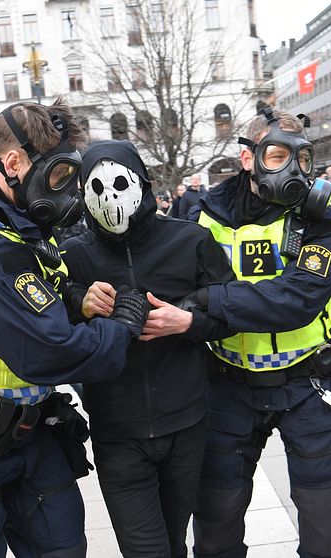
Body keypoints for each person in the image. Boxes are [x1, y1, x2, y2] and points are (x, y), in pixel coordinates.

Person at [0, 100, 147, 557]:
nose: (67, 191)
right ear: (13, 162)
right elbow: (48, 350)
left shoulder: (11, 225)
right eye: (58, 177)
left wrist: (75, 299)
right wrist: (122, 327)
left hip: (30, 433)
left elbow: (37, 288)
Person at [148, 108, 331, 558]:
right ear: (249, 158)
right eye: (279, 156)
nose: (294, 170)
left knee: (327, 527)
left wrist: (208, 302)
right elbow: (176, 293)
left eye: (303, 159)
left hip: (307, 385)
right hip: (228, 386)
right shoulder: (201, 214)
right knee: (216, 524)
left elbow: (297, 300)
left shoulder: (323, 217)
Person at [60, 140, 234, 557]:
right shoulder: (73, 255)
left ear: (143, 182)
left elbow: (230, 311)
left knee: (175, 543)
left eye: (120, 182)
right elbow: (46, 319)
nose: (110, 198)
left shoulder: (191, 241)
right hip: (117, 433)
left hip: (186, 425)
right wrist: (76, 298)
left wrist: (188, 322)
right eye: (96, 188)